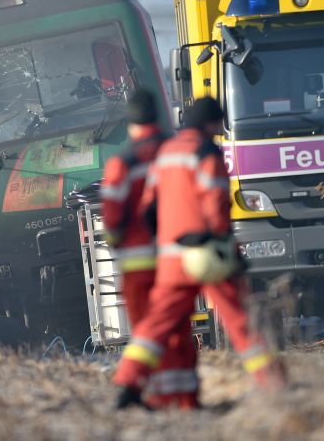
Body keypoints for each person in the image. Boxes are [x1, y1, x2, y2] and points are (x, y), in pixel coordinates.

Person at [112, 98, 285, 410]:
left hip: (171, 258)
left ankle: (127, 382)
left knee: (156, 324)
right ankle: (275, 384)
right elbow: (216, 203)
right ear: (212, 124)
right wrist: (225, 245)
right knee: (240, 321)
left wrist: (167, 239)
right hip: (208, 255)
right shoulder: (206, 152)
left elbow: (149, 207)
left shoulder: (166, 153)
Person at [100, 88, 180, 407]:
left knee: (145, 329)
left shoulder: (123, 161)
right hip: (174, 256)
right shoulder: (176, 152)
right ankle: (172, 394)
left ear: (130, 122)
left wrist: (115, 240)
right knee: (169, 328)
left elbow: (113, 213)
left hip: (136, 261)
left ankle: (139, 387)